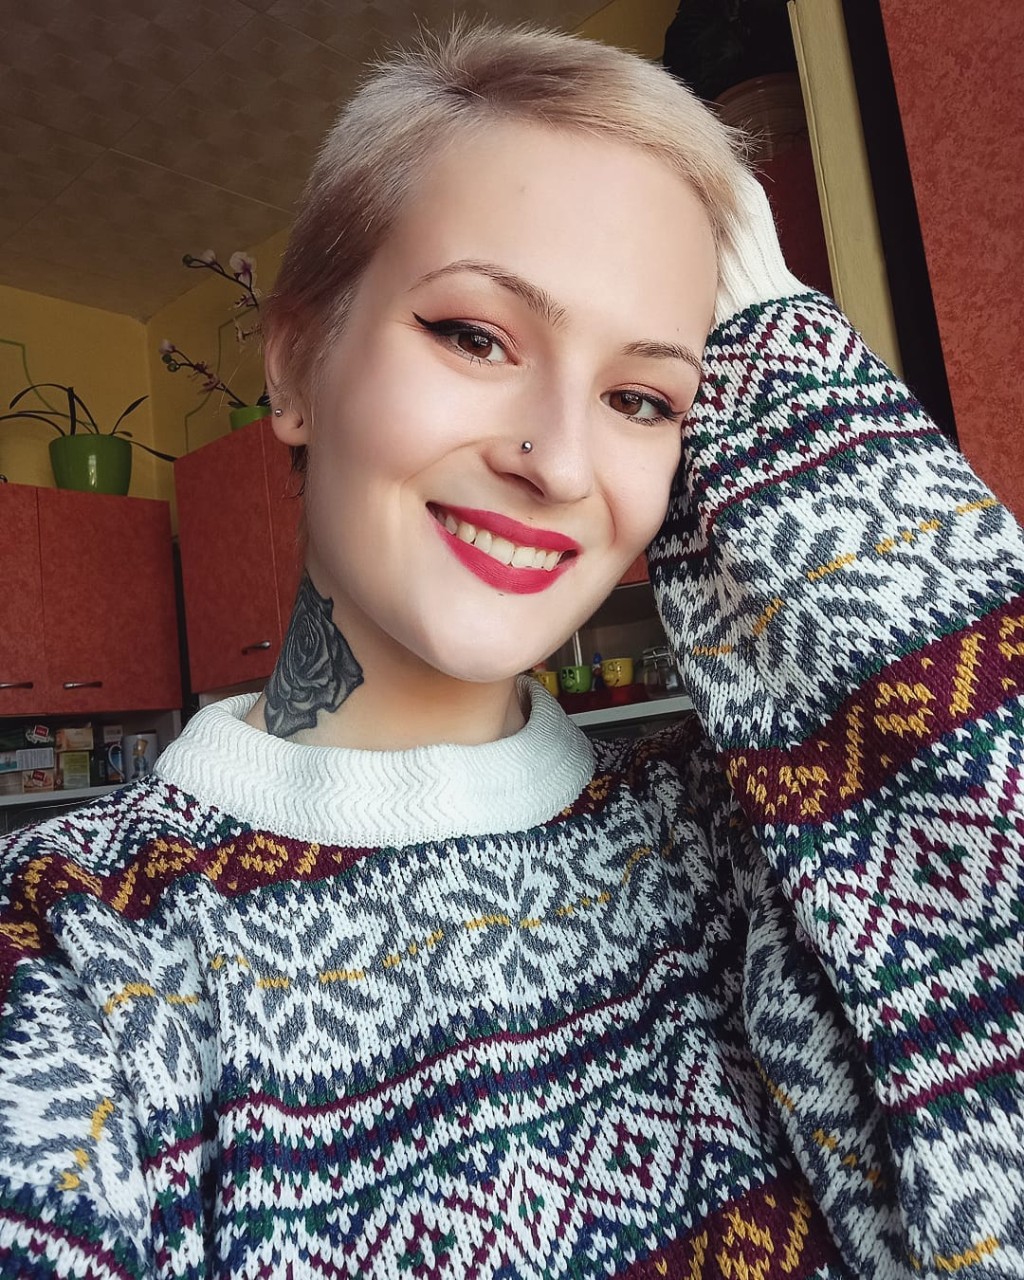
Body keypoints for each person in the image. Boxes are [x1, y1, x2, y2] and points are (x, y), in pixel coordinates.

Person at [1, 21, 1022, 1280]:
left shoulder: (761, 840)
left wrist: (791, 362)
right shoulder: (74, 937)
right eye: (474, 335)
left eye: (641, 398)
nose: (559, 460)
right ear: (297, 362)